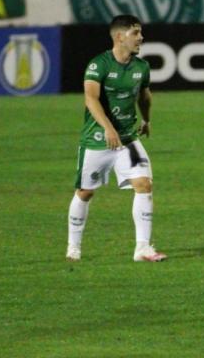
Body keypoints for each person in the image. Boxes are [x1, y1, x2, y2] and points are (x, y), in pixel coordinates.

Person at [65, 15, 167, 263]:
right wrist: (109, 128)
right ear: (120, 36)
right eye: (135, 33)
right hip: (97, 139)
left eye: (140, 32)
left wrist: (147, 119)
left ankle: (142, 248)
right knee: (85, 192)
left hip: (128, 140)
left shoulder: (141, 67)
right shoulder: (98, 65)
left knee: (144, 184)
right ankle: (73, 247)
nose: (141, 37)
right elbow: (91, 98)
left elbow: (145, 96)